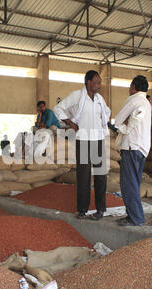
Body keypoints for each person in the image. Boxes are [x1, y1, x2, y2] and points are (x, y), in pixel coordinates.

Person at [54, 70, 111, 221]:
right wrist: (71, 123)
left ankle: (100, 209)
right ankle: (82, 209)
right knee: (83, 177)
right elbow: (58, 109)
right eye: (97, 82)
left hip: (98, 140)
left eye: (100, 82)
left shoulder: (99, 99)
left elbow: (107, 112)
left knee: (100, 176)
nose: (99, 85)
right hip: (84, 140)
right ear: (89, 82)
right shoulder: (77, 95)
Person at [114, 76, 152, 227]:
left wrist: (121, 125)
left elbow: (117, 120)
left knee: (128, 184)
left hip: (131, 146)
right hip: (142, 148)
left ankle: (136, 218)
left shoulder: (134, 99)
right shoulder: (146, 103)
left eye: (130, 86)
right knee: (134, 183)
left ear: (133, 87)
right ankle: (133, 215)